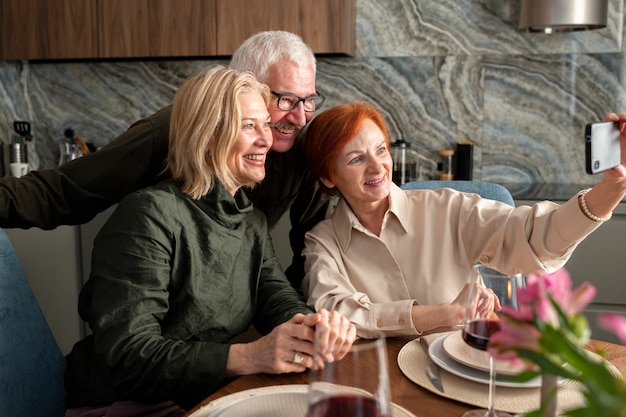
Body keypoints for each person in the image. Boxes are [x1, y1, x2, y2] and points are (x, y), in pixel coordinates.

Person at [63, 67, 356, 417]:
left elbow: (275, 297)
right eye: (249, 126)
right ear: (207, 134)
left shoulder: (250, 220)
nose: (266, 140)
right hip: (124, 402)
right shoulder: (148, 215)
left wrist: (312, 327)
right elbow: (128, 355)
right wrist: (251, 356)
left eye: (265, 124)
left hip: (199, 394)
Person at [0, 30, 330, 290]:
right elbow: (64, 191)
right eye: (286, 100)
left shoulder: (304, 146)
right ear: (242, 86)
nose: (300, 117)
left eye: (309, 100)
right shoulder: (172, 131)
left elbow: (317, 247)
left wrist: (293, 320)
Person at [300, 101, 626, 338]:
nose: (377, 167)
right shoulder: (322, 242)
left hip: (462, 371)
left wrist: (615, 185)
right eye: (357, 158)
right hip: (377, 380)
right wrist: (443, 313)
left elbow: (536, 237)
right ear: (328, 176)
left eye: (381, 150)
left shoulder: (449, 208)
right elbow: (338, 312)